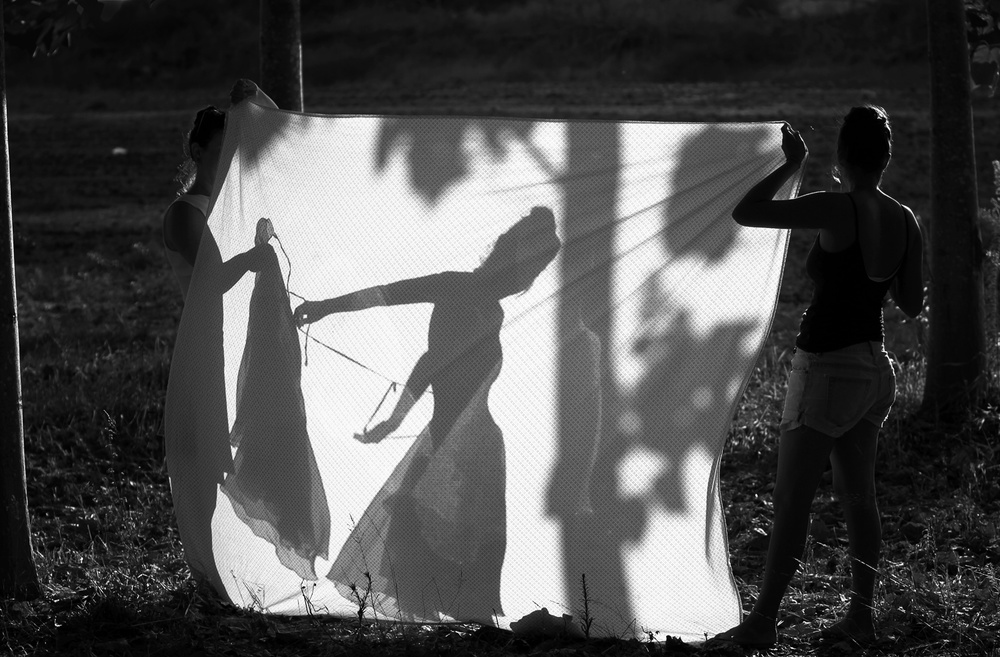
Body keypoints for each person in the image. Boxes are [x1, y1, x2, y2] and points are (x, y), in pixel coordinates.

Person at [713, 106, 924, 648]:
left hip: (828, 368)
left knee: (791, 499)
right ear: (885, 158)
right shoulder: (906, 220)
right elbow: (911, 303)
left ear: (844, 154)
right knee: (860, 500)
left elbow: (747, 211)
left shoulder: (836, 206)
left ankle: (762, 621)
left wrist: (792, 164)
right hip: (874, 369)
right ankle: (861, 617)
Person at [293, 206, 562, 623]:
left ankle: (469, 621)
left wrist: (396, 419)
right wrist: (326, 307)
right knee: (419, 533)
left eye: (535, 273)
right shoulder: (456, 287)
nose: (526, 281)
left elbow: (433, 361)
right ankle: (445, 623)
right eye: (527, 269)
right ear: (507, 256)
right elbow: (391, 300)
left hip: (480, 441)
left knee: (471, 542)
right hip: (448, 436)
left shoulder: (495, 312)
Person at [161, 84, 279, 594]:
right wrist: (253, 257)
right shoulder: (185, 213)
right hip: (200, 353)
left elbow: (278, 132)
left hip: (226, 349)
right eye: (220, 146)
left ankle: (218, 578)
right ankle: (206, 578)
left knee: (216, 465)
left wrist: (254, 97)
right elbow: (211, 278)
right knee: (200, 466)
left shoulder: (229, 205)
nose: (230, 155)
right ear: (198, 151)